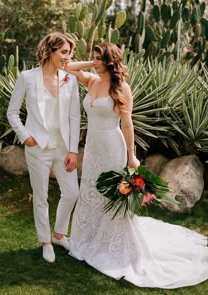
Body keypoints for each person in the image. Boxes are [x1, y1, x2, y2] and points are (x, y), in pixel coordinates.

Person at [65, 42, 208, 288]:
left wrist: (131, 156)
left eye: (100, 58)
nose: (95, 61)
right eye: (94, 58)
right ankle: (87, 238)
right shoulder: (91, 80)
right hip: (92, 147)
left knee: (110, 195)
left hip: (111, 146)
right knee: (90, 191)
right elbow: (67, 66)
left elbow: (127, 124)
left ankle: (111, 244)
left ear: (111, 61)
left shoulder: (121, 88)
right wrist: (93, 63)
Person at [7, 32, 80, 263]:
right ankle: (46, 241)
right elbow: (12, 112)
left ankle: (59, 234)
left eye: (70, 53)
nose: (68, 57)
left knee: (72, 193)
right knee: (41, 196)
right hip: (37, 147)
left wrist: (73, 150)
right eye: (64, 52)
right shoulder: (27, 77)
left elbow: (75, 117)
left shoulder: (70, 79)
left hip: (62, 147)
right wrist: (26, 136)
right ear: (50, 51)